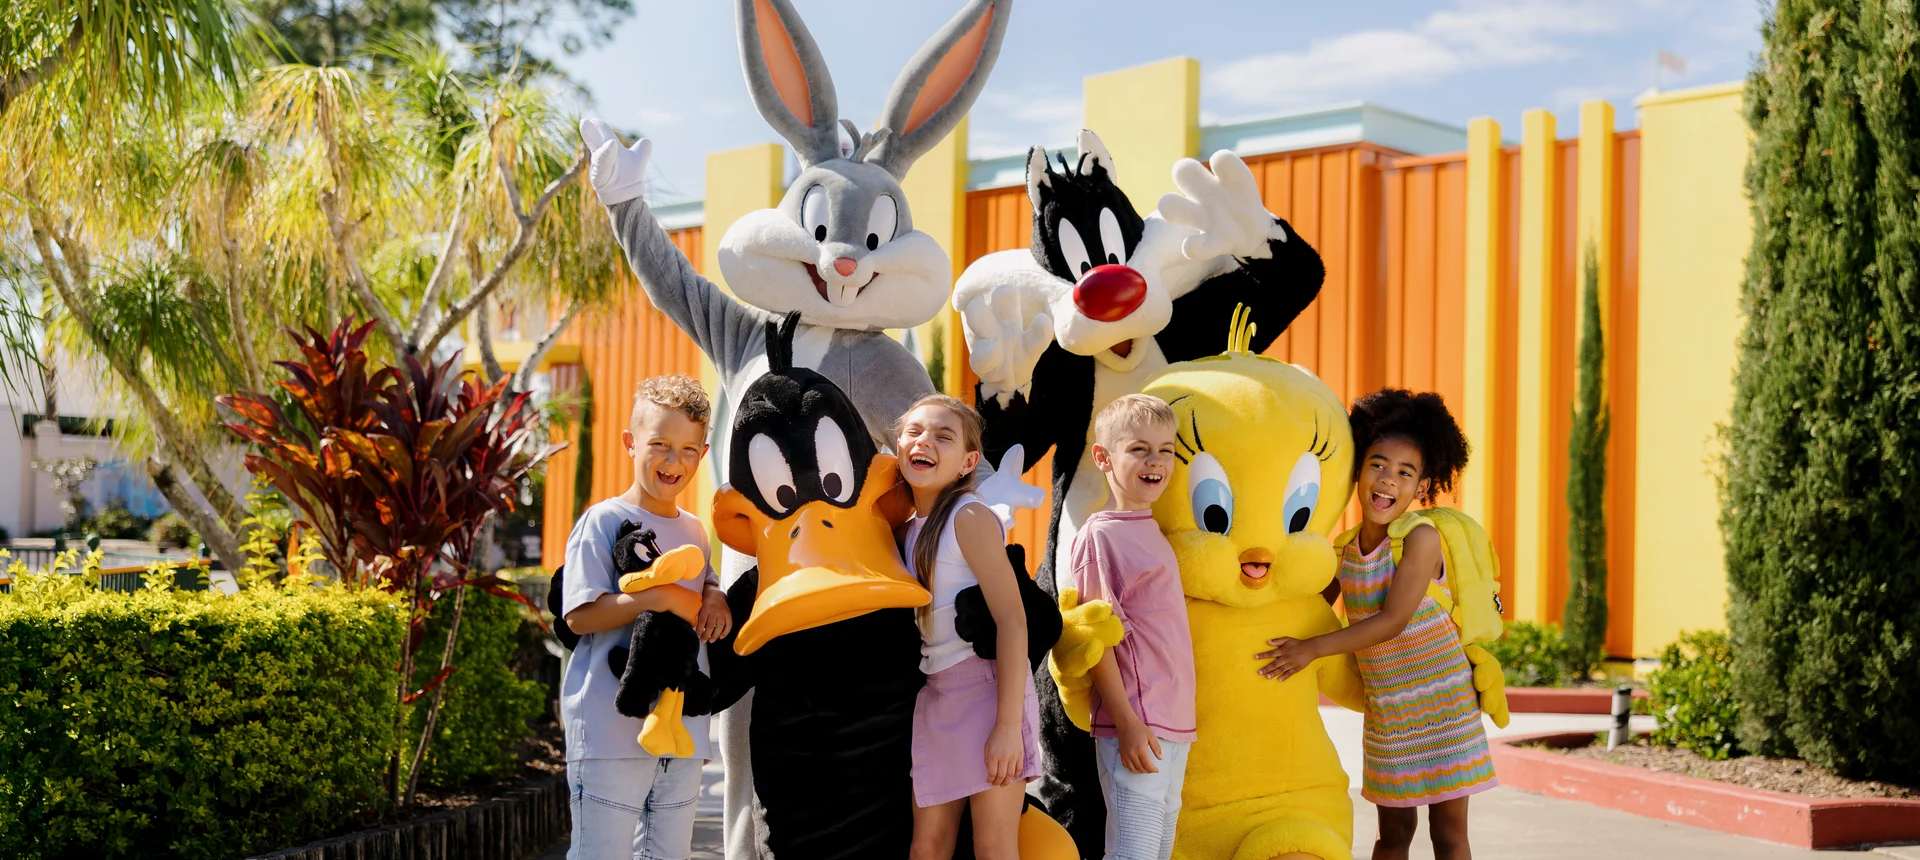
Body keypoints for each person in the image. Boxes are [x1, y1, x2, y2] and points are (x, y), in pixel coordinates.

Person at [1256, 388, 1497, 860]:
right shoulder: (1343, 550)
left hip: (1444, 704)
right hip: (1389, 713)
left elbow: (1391, 621)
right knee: (1392, 834)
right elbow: (1307, 607)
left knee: (1448, 836)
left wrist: (1310, 649)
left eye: (1405, 473)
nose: (1388, 481)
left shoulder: (1421, 539)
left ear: (1421, 486)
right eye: (1378, 465)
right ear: (1358, 471)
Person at [558, 375, 733, 860]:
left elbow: (706, 585)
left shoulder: (696, 530)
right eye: (659, 444)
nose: (672, 461)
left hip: (683, 734)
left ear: (702, 452)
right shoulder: (604, 520)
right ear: (630, 443)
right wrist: (655, 597)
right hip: (611, 730)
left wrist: (714, 596)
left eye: (687, 449)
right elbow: (580, 616)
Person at [896, 394, 1042, 860]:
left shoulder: (970, 516)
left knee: (994, 847)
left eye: (944, 436)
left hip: (988, 693)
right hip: (936, 697)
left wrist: (1006, 726)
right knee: (928, 846)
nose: (925, 441)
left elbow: (1013, 620)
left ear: (968, 462)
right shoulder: (905, 528)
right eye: (914, 431)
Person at [1070, 393, 1195, 860]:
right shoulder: (1101, 535)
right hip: (1138, 722)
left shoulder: (1152, 531)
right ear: (1103, 457)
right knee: (1133, 854)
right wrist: (1126, 722)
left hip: (1174, 724)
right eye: (1139, 448)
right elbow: (1094, 639)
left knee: (1156, 853)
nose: (1156, 461)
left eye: (1166, 449)